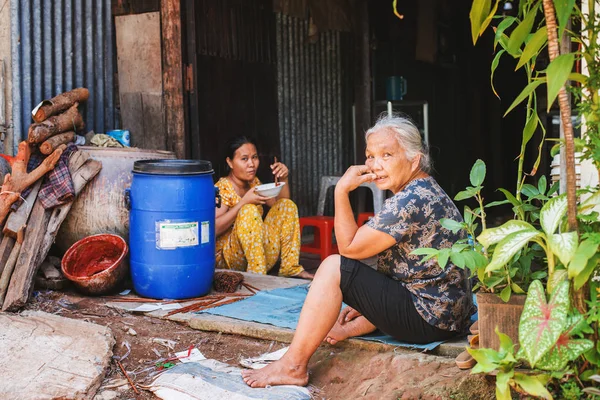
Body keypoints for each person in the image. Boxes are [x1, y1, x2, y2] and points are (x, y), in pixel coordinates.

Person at [241, 115, 474, 387]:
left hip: (432, 318)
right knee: (352, 273)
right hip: (449, 314)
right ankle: (366, 322)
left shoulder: (410, 199)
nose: (376, 165)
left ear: (415, 160)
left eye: (387, 155)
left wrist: (341, 190)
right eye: (370, 156)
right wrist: (367, 305)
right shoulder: (422, 188)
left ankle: (293, 366)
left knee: (332, 267)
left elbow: (349, 249)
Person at [215, 136, 314, 279]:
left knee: (288, 205)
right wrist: (243, 203)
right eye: (244, 159)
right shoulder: (222, 187)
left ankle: (290, 267)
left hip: (258, 257)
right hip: (231, 261)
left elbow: (280, 207)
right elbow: (213, 229)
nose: (251, 164)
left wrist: (283, 178)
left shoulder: (254, 182)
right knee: (248, 210)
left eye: (254, 157)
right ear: (230, 162)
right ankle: (258, 276)